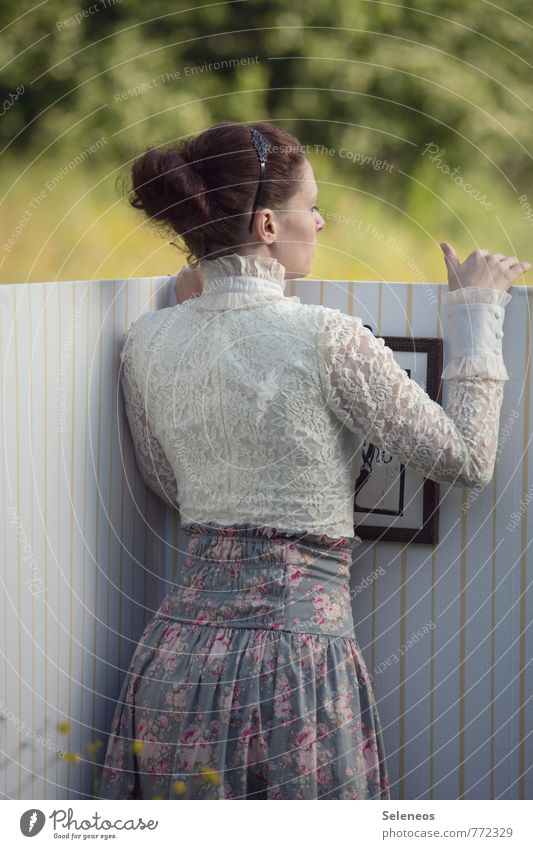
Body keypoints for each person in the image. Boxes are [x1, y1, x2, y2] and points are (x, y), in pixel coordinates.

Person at [98, 120, 530, 801]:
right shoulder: (327, 338)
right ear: (269, 224)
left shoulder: (146, 340)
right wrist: (477, 311)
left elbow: (170, 485)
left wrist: (200, 288)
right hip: (291, 674)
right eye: (310, 206)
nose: (321, 221)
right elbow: (467, 457)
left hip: (173, 668)